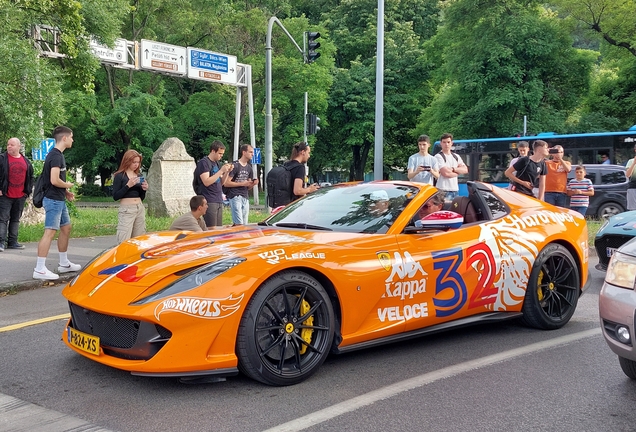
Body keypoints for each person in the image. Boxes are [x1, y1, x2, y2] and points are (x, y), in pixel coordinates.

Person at [33, 126, 80, 280]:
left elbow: (51, 179)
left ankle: (64, 263)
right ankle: (39, 269)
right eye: (72, 137)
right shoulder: (56, 156)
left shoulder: (56, 155)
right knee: (50, 231)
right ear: (64, 138)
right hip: (53, 200)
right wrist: (68, 185)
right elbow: (54, 180)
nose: (73, 140)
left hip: (58, 198)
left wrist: (65, 192)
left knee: (66, 228)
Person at [0, 138, 33, 252]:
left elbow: (30, 177)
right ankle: (1, 242)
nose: (9, 146)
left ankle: (12, 242)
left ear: (19, 146)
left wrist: (27, 191)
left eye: (12, 145)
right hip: (5, 195)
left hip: (20, 196)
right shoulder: (2, 159)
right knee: (3, 219)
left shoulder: (26, 161)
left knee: (15, 219)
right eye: (8, 144)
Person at [112, 149, 148, 243]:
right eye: (134, 162)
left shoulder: (138, 175)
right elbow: (115, 196)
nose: (136, 164)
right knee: (124, 237)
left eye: (138, 162)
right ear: (127, 161)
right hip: (127, 209)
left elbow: (141, 197)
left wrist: (144, 189)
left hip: (139, 207)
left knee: (139, 238)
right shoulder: (120, 176)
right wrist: (128, 186)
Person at [195, 140, 233, 229]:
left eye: (222, 154)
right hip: (209, 199)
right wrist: (221, 171)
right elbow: (206, 182)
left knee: (218, 228)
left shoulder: (217, 163)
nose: (221, 156)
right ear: (213, 151)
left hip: (218, 199)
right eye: (220, 153)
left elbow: (221, 183)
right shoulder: (204, 163)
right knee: (211, 228)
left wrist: (227, 172)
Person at [224, 144, 258, 225]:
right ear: (244, 152)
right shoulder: (235, 165)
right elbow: (226, 183)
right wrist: (242, 183)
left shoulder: (249, 168)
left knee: (244, 223)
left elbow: (248, 186)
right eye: (250, 152)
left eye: (253, 152)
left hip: (245, 196)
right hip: (235, 195)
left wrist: (253, 184)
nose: (252, 154)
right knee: (239, 223)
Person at [434, 133, 468, 200]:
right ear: (441, 143)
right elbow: (445, 173)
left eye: (448, 142)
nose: (446, 144)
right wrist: (458, 172)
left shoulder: (456, 156)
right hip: (443, 190)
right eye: (444, 142)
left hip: (455, 190)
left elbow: (465, 170)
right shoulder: (438, 156)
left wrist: (453, 169)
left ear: (452, 143)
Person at [625, 144, 636, 211]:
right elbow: (628, 175)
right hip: (633, 188)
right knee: (633, 211)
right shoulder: (631, 161)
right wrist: (634, 163)